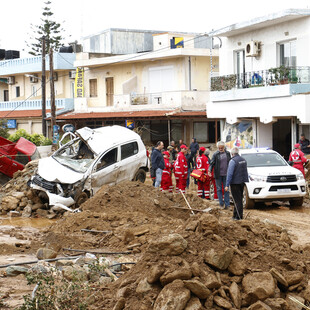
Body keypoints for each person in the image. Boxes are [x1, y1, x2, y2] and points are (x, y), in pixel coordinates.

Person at [225, 147, 249, 220]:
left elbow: (230, 174)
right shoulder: (243, 160)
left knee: (236, 200)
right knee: (239, 199)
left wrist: (227, 185)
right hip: (242, 182)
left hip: (235, 183)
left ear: (232, 154)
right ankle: (235, 215)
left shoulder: (233, 161)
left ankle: (238, 216)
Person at [208, 141, 231, 209]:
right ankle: (221, 204)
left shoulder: (227, 153)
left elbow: (230, 162)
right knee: (219, 189)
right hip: (218, 174)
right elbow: (212, 163)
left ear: (224, 147)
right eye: (219, 148)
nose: (220, 149)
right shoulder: (215, 154)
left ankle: (227, 204)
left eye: (222, 148)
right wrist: (209, 170)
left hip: (226, 174)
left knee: (226, 189)